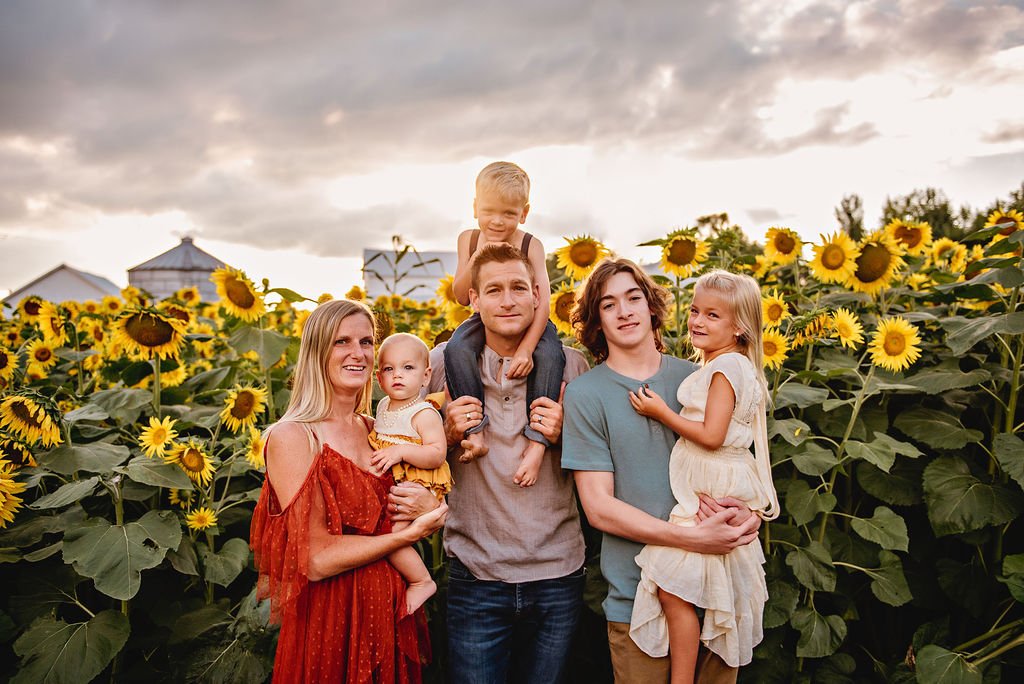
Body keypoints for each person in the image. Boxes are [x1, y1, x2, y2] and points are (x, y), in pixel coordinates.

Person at [561, 258, 761, 684]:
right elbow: (599, 509)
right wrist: (693, 537)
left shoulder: (704, 376)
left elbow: (742, 461)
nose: (625, 311)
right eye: (609, 304)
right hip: (637, 600)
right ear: (597, 319)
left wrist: (749, 515)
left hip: (719, 592)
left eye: (634, 298)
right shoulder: (585, 394)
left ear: (652, 306)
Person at [250, 299, 447, 684]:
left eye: (367, 342)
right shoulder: (294, 436)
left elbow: (427, 501)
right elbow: (315, 559)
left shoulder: (378, 431)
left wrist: (430, 508)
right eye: (342, 342)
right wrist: (408, 535)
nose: (358, 353)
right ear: (317, 352)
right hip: (331, 618)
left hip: (390, 610)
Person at [429, 242, 589, 683]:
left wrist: (563, 436)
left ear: (537, 295)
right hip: (476, 573)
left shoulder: (572, 365)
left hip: (557, 571)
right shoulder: (440, 365)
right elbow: (405, 455)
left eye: (519, 287)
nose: (507, 300)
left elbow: (605, 463)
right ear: (474, 299)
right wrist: (445, 433)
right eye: (494, 290)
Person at [627, 270, 780, 682]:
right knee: (694, 589)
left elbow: (712, 436)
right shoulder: (737, 364)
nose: (697, 321)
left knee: (672, 587)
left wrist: (662, 413)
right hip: (724, 483)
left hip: (713, 488)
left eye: (713, 316)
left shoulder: (725, 367)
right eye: (695, 311)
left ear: (739, 327)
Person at [444, 161, 565, 487]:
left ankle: (536, 442)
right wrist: (482, 253)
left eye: (509, 214)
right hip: (484, 317)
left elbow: (543, 301)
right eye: (489, 211)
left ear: (523, 213)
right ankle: (476, 429)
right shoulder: (468, 240)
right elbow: (460, 295)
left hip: (532, 323)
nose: (498, 221)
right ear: (474, 208)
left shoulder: (530, 245)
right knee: (455, 349)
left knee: (552, 356)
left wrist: (527, 349)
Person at [367, 332, 452, 615]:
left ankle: (421, 581)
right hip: (396, 482)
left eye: (408, 368)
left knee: (394, 537)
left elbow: (437, 453)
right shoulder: (382, 406)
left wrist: (402, 450)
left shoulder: (423, 412)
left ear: (426, 375)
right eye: (389, 369)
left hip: (418, 481)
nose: (397, 375)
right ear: (379, 379)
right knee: (385, 534)